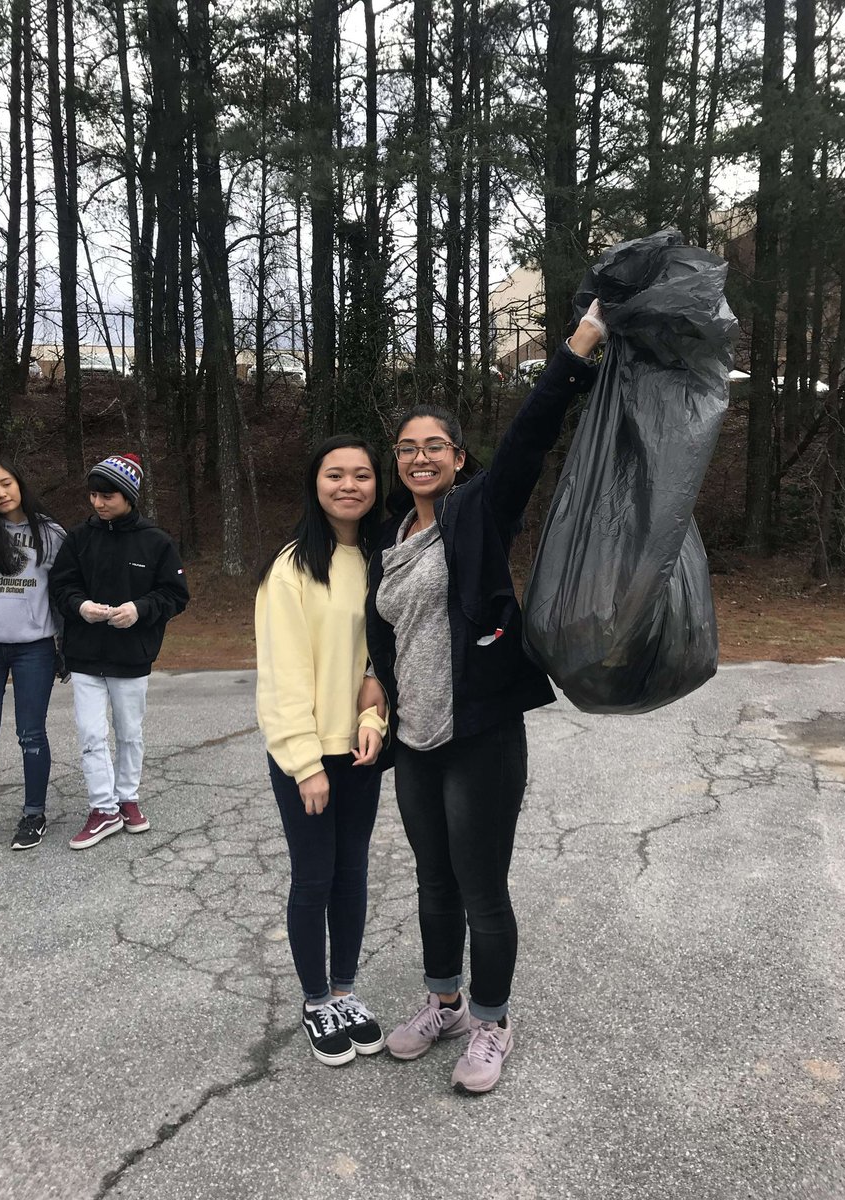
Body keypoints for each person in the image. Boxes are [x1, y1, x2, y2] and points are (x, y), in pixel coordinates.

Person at [363, 304, 607, 1093]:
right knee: (432, 882)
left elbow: (532, 437)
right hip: (417, 738)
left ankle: (494, 1021)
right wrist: (377, 704)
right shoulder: (392, 540)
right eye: (407, 448)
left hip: (482, 733)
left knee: (480, 888)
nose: (420, 456)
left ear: (460, 459)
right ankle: (446, 1004)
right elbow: (385, 641)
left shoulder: (477, 512)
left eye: (435, 446)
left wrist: (577, 346)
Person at [255, 435, 389, 1068]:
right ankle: (314, 1001)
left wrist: (372, 716)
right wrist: (305, 762)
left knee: (353, 873)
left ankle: (345, 990)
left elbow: (378, 658)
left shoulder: (382, 560)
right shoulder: (292, 568)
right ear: (315, 483)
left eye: (362, 475)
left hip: (361, 750)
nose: (348, 485)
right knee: (314, 878)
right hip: (307, 756)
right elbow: (283, 673)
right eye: (335, 474)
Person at [49, 453, 189, 850]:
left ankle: (126, 797)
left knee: (129, 733)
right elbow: (60, 587)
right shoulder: (78, 538)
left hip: (132, 657)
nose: (98, 503)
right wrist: (81, 607)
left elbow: (176, 595)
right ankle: (103, 808)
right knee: (92, 733)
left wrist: (139, 609)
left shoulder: (156, 541)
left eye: (107, 495)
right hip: (85, 656)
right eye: (93, 495)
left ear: (129, 496)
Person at [0, 458, 65, 851]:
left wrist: (66, 645)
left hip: (34, 648)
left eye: (6, 483)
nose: (0, 493)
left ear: (20, 484)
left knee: (31, 733)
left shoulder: (52, 534)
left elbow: (68, 588)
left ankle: (33, 814)